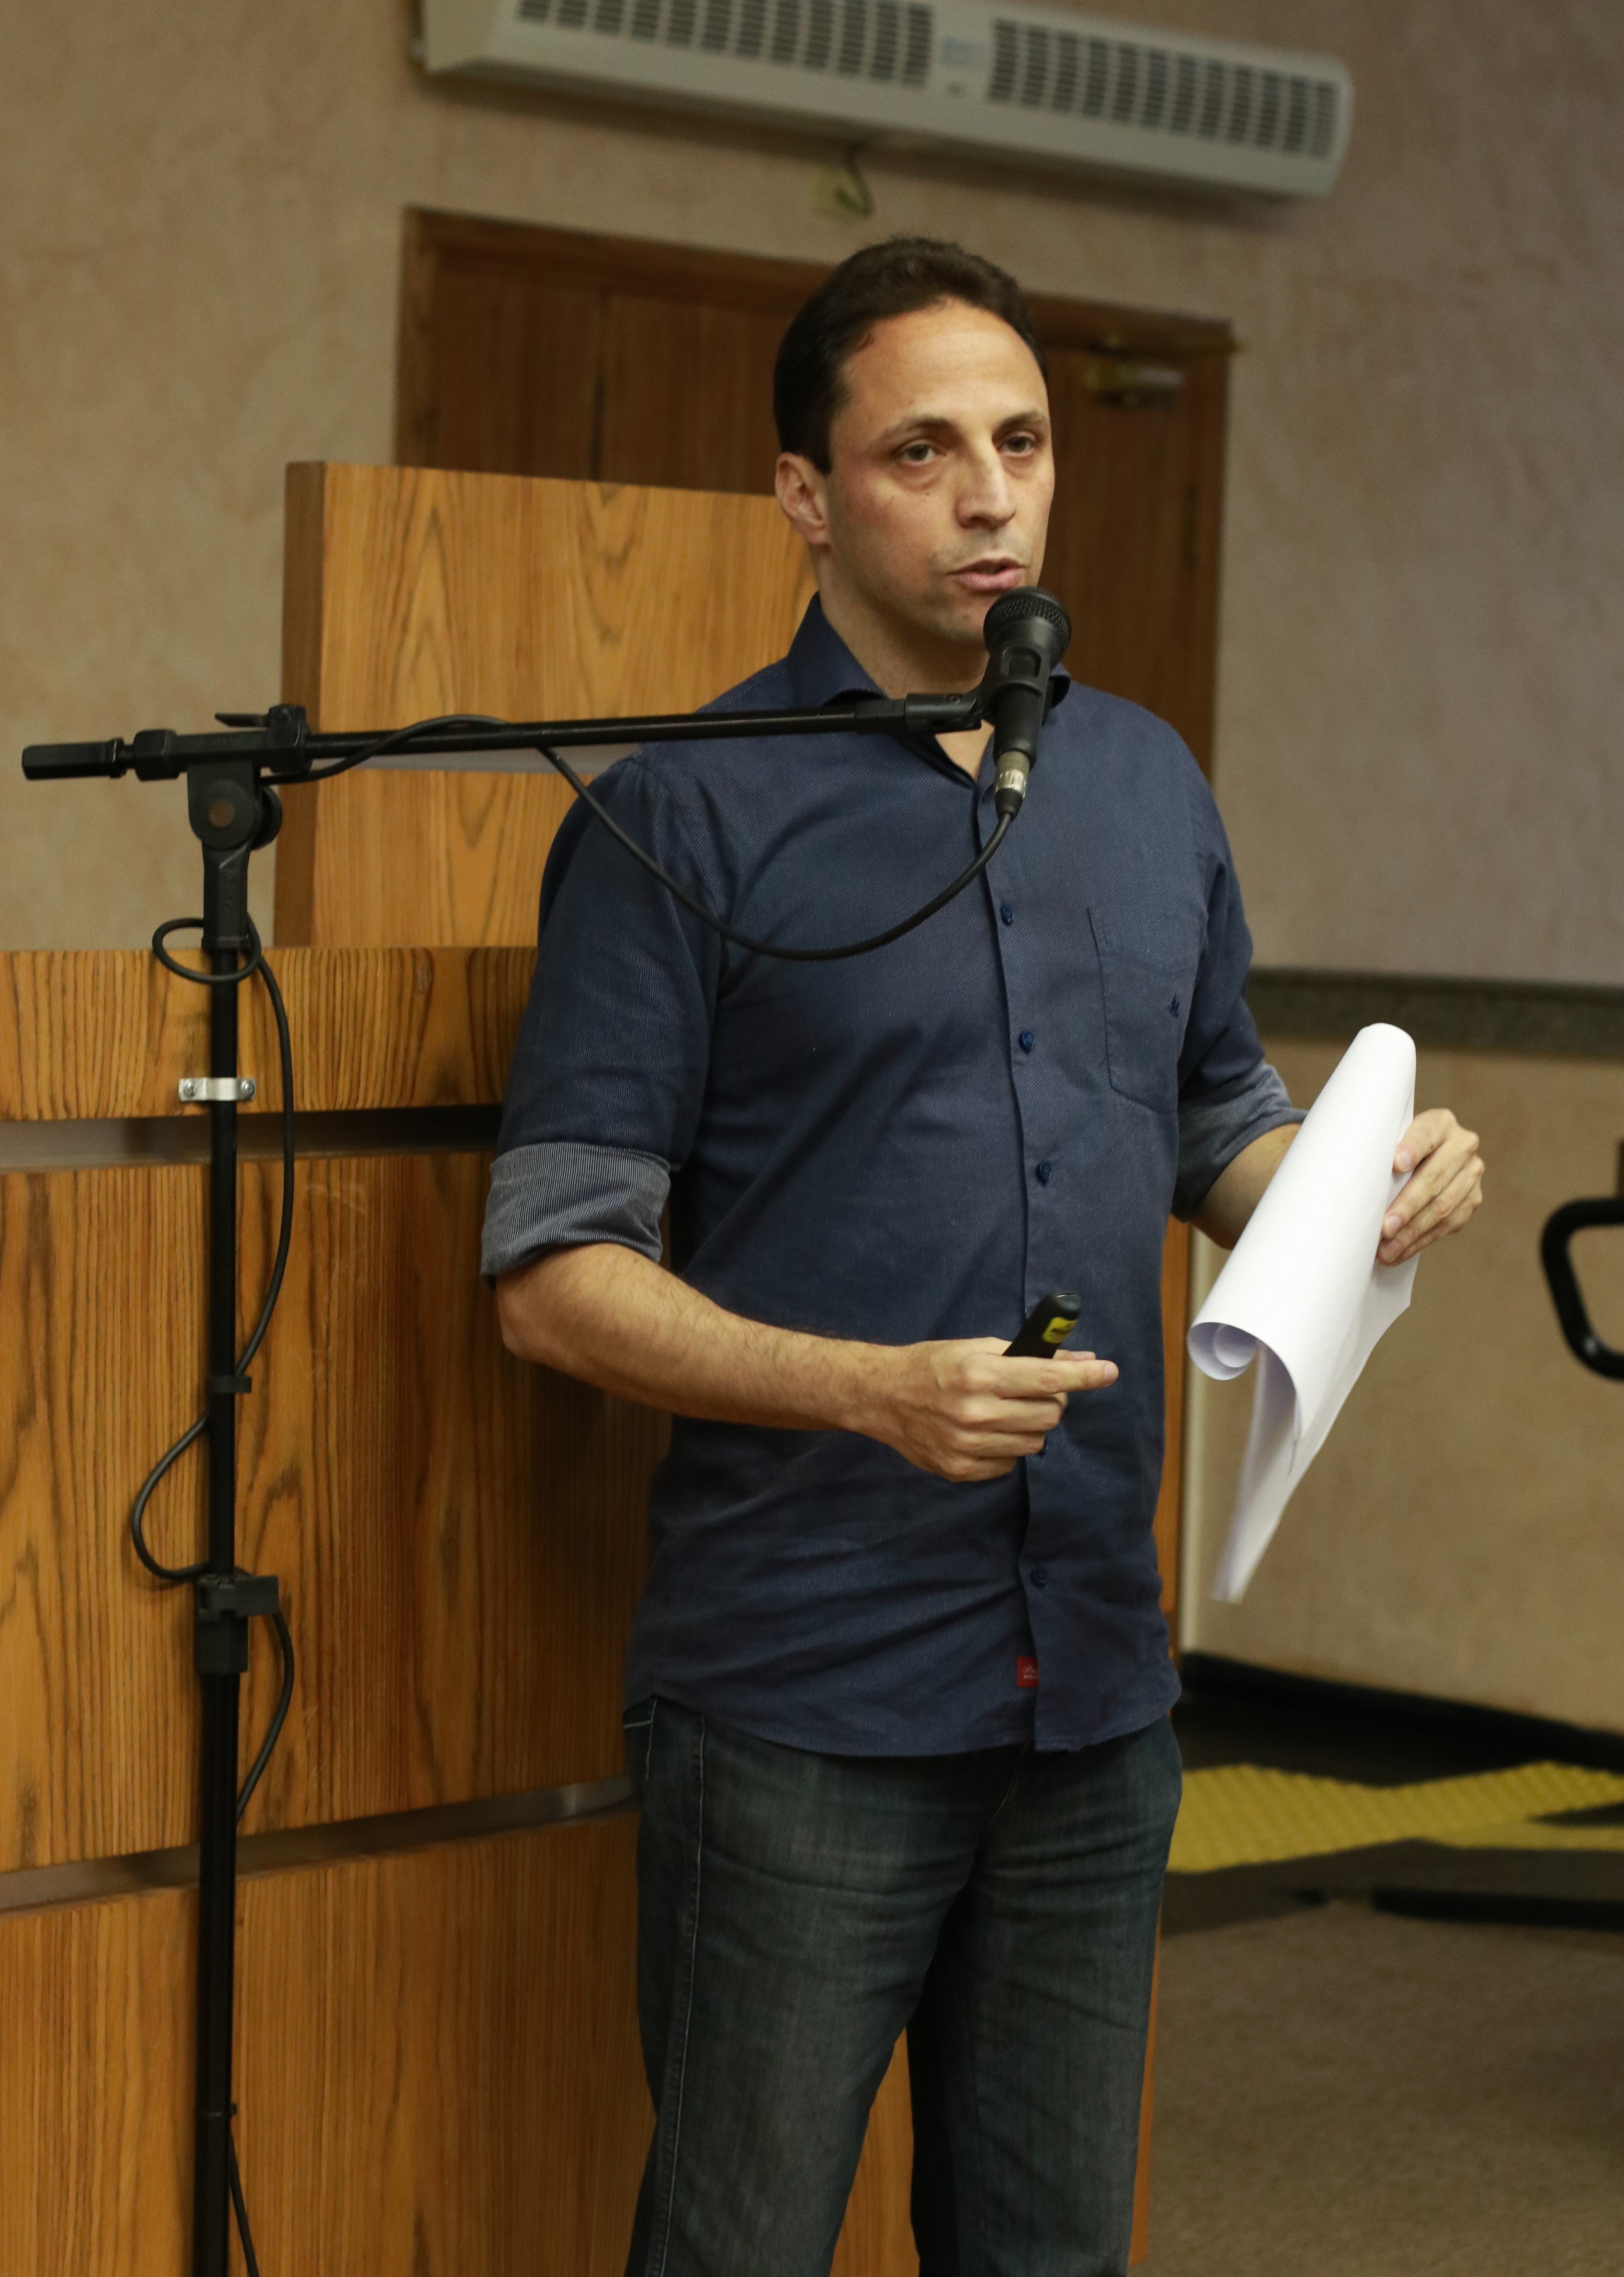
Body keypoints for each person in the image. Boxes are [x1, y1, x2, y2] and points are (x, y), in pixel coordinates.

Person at [484, 238, 1484, 2277]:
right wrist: (868, 1390)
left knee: (1050, 2253)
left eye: (1020, 443)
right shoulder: (685, 815)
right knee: (742, 2247)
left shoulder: (1142, 781)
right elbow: (551, 1271)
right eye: (920, 451)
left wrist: (1355, 1184)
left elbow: (1213, 1124)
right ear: (804, 493)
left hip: (1094, 1685)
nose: (989, 495)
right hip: (806, 1694)